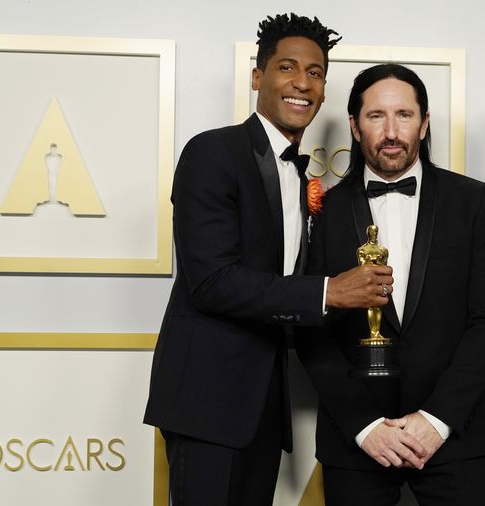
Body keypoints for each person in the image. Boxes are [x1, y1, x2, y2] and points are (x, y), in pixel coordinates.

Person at [143, 14, 395, 506]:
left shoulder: (302, 178)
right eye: (287, 67)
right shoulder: (212, 152)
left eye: (315, 72)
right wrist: (329, 291)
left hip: (263, 407)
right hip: (207, 402)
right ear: (258, 77)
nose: (302, 82)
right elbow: (211, 281)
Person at [296, 63, 485, 505]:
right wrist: (365, 426)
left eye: (404, 115)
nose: (391, 132)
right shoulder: (323, 212)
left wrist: (438, 420)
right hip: (357, 442)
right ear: (355, 127)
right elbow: (311, 328)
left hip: (454, 438)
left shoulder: (474, 201)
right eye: (376, 116)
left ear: (424, 123)